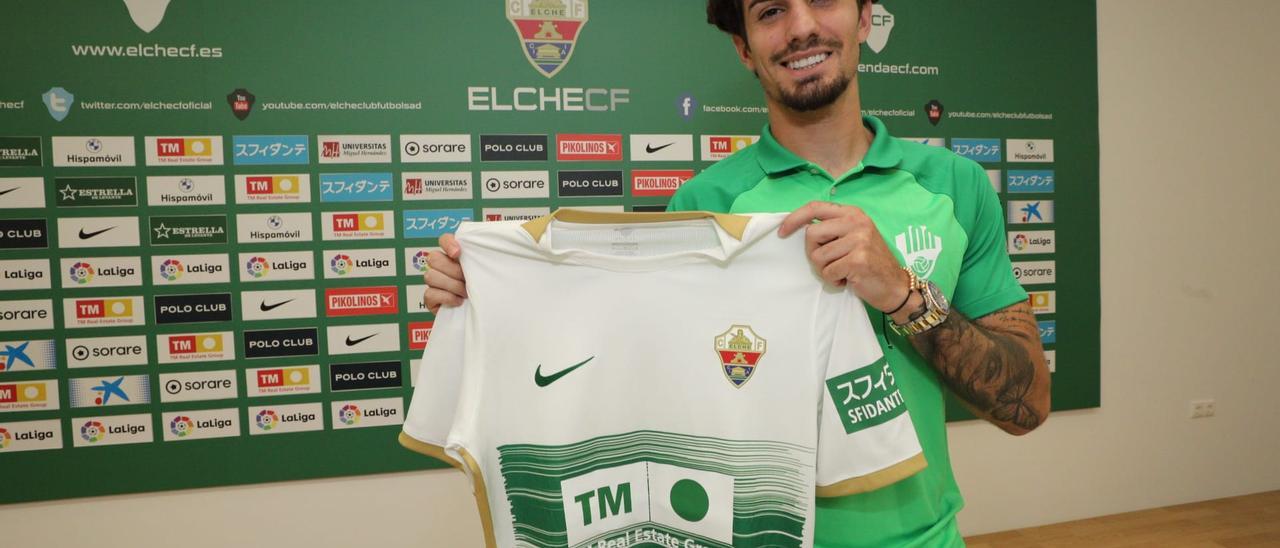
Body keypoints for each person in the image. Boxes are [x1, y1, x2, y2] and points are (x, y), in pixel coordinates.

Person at [422, 0, 1050, 546]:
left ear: (864, 17)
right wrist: (488, 300)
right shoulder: (702, 205)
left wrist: (902, 293)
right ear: (745, 49)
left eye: (824, 2)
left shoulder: (954, 186)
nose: (802, 28)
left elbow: (1027, 406)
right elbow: (629, 376)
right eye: (771, 11)